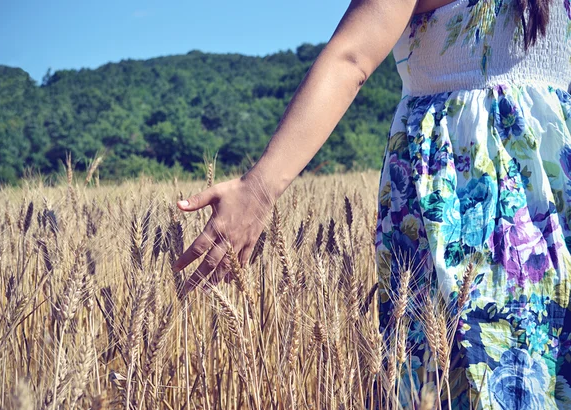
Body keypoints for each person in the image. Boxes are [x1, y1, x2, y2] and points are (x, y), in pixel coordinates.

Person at [172, 0, 571, 407]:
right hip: (482, 204)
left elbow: (352, 58)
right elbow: (351, 59)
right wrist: (258, 189)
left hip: (486, 196)